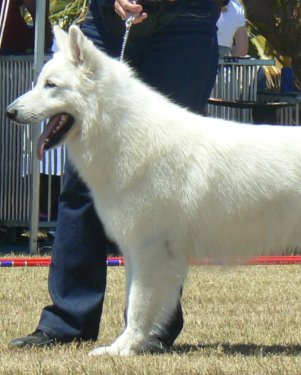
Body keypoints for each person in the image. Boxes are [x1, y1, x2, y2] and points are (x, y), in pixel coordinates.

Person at [9, 0, 219, 352]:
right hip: (106, 25)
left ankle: (150, 329)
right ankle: (68, 322)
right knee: (81, 180)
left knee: (162, 190)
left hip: (184, 25)